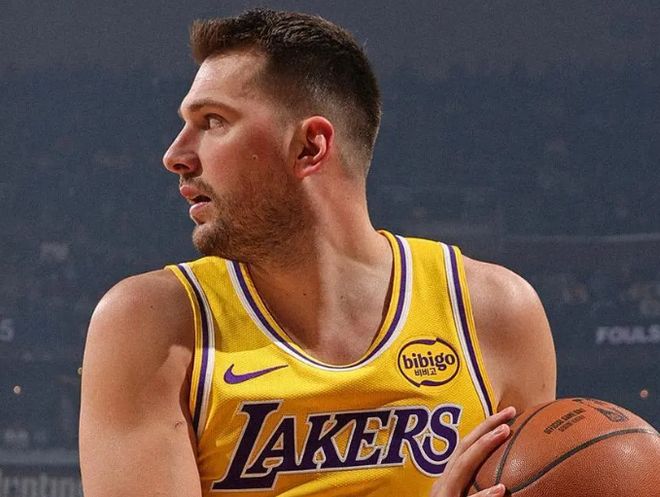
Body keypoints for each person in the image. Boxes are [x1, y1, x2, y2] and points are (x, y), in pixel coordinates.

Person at [79, 8, 556, 497]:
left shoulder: (494, 312)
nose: (175, 155)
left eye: (213, 121)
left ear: (310, 147)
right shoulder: (154, 324)